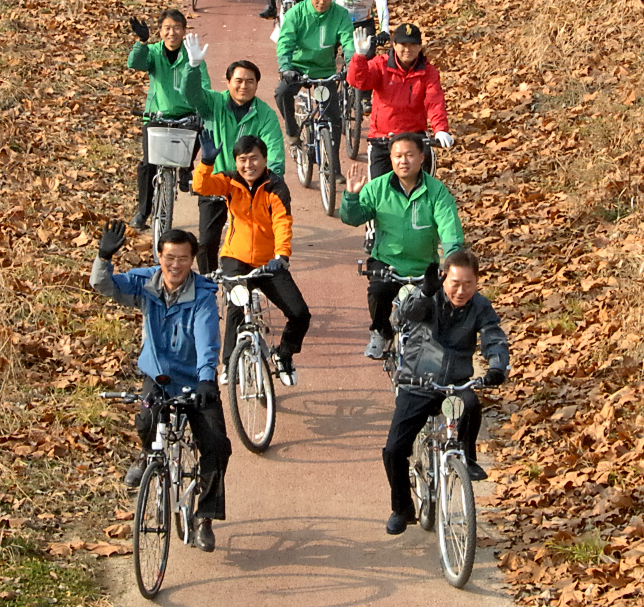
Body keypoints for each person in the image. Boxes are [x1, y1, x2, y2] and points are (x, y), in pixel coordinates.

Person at [93, 222, 228, 553]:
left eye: (183, 258)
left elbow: (206, 337)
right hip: (160, 377)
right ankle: (147, 454)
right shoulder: (146, 284)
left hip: (198, 380)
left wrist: (208, 378)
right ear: (160, 256)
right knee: (146, 420)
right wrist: (104, 256)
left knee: (216, 446)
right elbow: (104, 286)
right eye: (170, 257)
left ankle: (204, 517)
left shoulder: (203, 297)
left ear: (193, 259)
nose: (176, 265)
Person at [379, 250, 506, 533]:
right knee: (394, 452)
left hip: (454, 385)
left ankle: (467, 459)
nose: (461, 291)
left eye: (468, 284)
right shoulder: (430, 298)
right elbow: (403, 316)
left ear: (477, 282)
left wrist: (497, 366)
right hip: (418, 383)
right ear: (444, 278)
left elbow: (493, 336)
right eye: (455, 283)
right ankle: (402, 508)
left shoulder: (480, 306)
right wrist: (424, 292)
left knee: (471, 405)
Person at [192, 135, 311, 384]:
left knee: (300, 314)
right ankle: (228, 364)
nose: (249, 165)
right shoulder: (230, 181)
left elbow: (282, 222)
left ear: (265, 160)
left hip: (270, 262)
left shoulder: (276, 187)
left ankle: (284, 354)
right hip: (235, 257)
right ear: (236, 162)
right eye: (242, 160)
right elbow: (201, 187)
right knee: (236, 306)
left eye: (254, 158)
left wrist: (282, 255)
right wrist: (206, 162)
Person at [338, 132, 466, 359]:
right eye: (397, 156)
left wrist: (453, 259)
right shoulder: (377, 188)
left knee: (436, 315)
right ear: (391, 159)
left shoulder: (437, 192)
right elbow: (353, 218)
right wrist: (351, 197)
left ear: (422, 158)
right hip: (387, 263)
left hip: (424, 267)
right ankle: (380, 332)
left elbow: (450, 228)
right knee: (377, 293)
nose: (403, 161)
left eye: (409, 155)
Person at [192, 57, 286, 272]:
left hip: (250, 187)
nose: (244, 86)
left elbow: (275, 150)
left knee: (257, 243)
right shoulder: (213, 103)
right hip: (217, 181)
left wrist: (275, 178)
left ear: (257, 84)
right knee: (206, 244)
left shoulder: (266, 114)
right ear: (228, 82)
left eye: (250, 81)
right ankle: (208, 287)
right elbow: (192, 92)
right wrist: (194, 67)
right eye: (239, 80)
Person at [125, 10, 207, 227]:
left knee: (201, 130)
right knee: (148, 164)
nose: (172, 33)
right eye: (167, 28)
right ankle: (143, 212)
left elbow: (204, 84)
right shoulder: (153, 52)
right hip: (157, 115)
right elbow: (135, 63)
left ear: (184, 30)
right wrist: (142, 42)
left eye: (177, 28)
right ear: (160, 31)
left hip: (186, 116)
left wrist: (203, 109)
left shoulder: (192, 53)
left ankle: (185, 169)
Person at [274, 0, 354, 177]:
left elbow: (348, 43)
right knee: (282, 93)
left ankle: (333, 165)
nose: (322, 1)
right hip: (298, 69)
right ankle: (292, 132)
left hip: (325, 71)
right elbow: (285, 43)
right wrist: (286, 68)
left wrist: (353, 64)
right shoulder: (296, 14)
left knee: (334, 119)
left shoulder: (341, 15)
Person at [347, 22, 451, 179]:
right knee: (379, 195)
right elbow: (358, 81)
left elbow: (434, 101)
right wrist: (360, 56)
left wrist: (441, 129)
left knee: (423, 192)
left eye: (412, 45)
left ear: (420, 47)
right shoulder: (381, 65)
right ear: (394, 45)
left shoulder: (428, 72)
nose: (407, 50)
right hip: (382, 140)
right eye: (403, 44)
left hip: (415, 139)